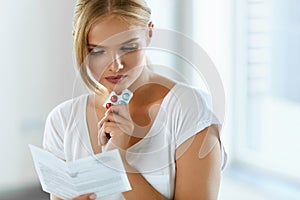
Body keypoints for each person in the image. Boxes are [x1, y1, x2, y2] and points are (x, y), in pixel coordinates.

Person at [43, 0, 227, 199]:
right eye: (97, 51)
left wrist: (119, 164)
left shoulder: (188, 108)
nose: (115, 65)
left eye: (128, 47)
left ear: (149, 33)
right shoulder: (62, 120)